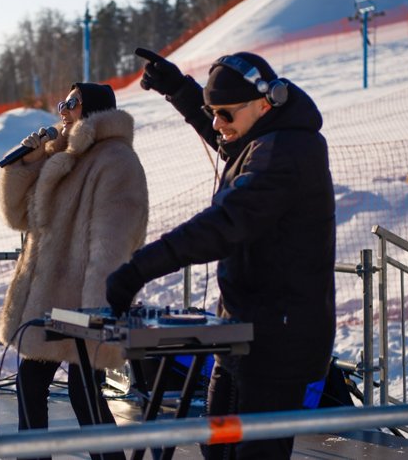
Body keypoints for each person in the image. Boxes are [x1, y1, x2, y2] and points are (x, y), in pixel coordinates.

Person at [106, 49, 336, 460]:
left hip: (277, 344)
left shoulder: (288, 152)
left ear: (268, 102)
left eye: (225, 113)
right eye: (213, 112)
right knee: (217, 446)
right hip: (240, 333)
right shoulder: (262, 135)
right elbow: (225, 134)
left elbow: (227, 222)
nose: (217, 124)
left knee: (254, 455)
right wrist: (179, 90)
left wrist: (141, 268)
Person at [0, 83, 148, 460]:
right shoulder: (62, 156)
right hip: (48, 301)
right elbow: (18, 216)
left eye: (71, 103)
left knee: (85, 394)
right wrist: (28, 163)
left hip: (85, 303)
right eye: (62, 102)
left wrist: (98, 313)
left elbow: (114, 244)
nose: (62, 109)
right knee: (32, 384)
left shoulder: (115, 159)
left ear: (92, 109)